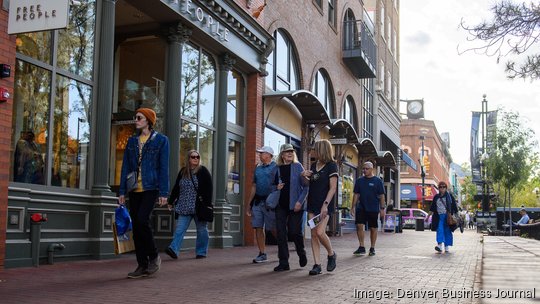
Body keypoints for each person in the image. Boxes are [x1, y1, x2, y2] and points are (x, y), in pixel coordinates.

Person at [119, 108, 169, 278]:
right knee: (137, 227)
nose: (136, 120)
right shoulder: (132, 141)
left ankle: (154, 256)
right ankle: (142, 264)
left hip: (150, 188)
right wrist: (121, 191)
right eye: (136, 117)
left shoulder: (161, 141)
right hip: (134, 189)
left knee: (142, 220)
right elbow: (125, 166)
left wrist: (164, 192)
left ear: (148, 120)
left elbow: (164, 168)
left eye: (139, 118)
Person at [165, 150, 213, 260]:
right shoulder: (183, 172)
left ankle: (201, 252)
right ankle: (174, 249)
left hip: (198, 207)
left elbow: (209, 189)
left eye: (197, 157)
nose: (196, 158)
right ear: (188, 158)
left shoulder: (203, 171)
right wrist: (171, 201)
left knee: (202, 230)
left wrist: (207, 204)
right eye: (193, 157)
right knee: (179, 229)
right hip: (184, 206)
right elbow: (176, 187)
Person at [302, 139, 338, 275]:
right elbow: (308, 184)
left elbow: (333, 188)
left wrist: (325, 205)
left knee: (319, 232)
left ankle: (331, 254)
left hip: (325, 205)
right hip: (312, 204)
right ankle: (317, 264)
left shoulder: (331, 166)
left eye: (315, 149)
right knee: (313, 234)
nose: (312, 151)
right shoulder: (313, 165)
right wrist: (304, 176)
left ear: (321, 150)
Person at [273, 144, 309, 272]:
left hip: (296, 205)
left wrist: (300, 202)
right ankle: (283, 262)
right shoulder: (276, 168)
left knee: (294, 231)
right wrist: (276, 188)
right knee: (281, 234)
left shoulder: (298, 167)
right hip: (280, 205)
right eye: (287, 152)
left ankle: (301, 252)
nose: (290, 153)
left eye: (291, 151)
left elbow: (306, 187)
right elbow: (270, 186)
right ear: (282, 154)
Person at [246, 146, 277, 264]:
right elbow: (254, 186)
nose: (259, 155)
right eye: (259, 153)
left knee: (273, 228)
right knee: (258, 227)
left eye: (262, 153)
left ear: (269, 155)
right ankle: (262, 253)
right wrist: (249, 204)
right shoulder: (257, 168)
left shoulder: (276, 167)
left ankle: (282, 250)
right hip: (258, 202)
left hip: (271, 203)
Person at [351, 161, 386, 256]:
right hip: (361, 207)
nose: (364, 170)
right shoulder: (359, 181)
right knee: (359, 225)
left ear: (372, 169)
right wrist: (353, 207)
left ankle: (372, 248)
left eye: (366, 169)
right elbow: (356, 194)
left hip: (373, 208)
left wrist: (382, 209)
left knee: (373, 228)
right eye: (363, 168)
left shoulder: (378, 181)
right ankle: (361, 246)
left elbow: (382, 195)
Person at [426, 181, 458, 254]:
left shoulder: (449, 196)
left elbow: (454, 207)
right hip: (439, 217)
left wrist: (457, 215)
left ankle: (446, 246)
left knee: (447, 231)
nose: (442, 188)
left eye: (444, 187)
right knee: (440, 229)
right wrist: (428, 216)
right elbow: (432, 208)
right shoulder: (436, 197)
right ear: (438, 188)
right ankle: (440, 245)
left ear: (446, 188)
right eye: (440, 187)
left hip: (448, 216)